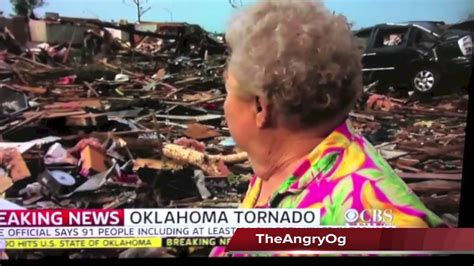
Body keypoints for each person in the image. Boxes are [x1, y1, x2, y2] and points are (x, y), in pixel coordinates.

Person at [210, 0, 445, 257]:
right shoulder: (279, 165)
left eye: (229, 90)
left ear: (260, 108)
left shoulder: (377, 229)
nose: (225, 103)